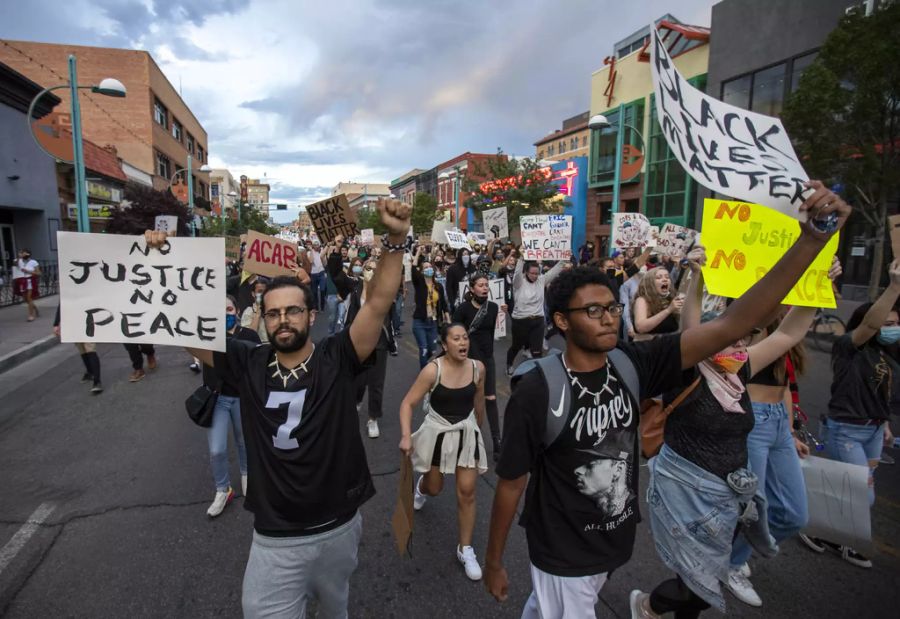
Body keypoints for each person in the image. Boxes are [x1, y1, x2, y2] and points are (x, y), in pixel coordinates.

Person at [483, 181, 849, 619]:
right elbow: (510, 484)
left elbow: (734, 322)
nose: (609, 317)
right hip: (561, 551)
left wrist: (813, 239)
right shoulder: (537, 389)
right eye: (593, 311)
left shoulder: (632, 362)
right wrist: (494, 559)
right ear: (561, 321)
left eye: (612, 308)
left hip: (613, 541)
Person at [150, 196, 411, 618]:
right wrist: (163, 260)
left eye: (293, 310)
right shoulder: (246, 360)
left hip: (338, 528)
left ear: (311, 316)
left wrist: (397, 239)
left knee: (334, 609)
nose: (283, 320)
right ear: (263, 319)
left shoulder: (337, 356)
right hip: (275, 536)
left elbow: (379, 301)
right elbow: (188, 329)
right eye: (273, 314)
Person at [632, 248, 830, 618]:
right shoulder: (687, 370)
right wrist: (696, 278)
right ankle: (646, 605)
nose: (741, 345)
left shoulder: (740, 371)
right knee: (698, 585)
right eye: (733, 339)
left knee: (701, 579)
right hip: (685, 490)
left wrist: (818, 288)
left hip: (726, 495)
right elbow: (690, 328)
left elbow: (788, 334)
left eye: (745, 340)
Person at [799, 260, 900, 569]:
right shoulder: (849, 347)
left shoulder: (889, 354)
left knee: (845, 486)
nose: (891, 328)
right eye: (886, 322)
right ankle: (815, 527)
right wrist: (894, 285)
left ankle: (839, 538)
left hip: (871, 432)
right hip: (845, 430)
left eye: (896, 323)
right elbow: (870, 326)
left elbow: (882, 393)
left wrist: (883, 423)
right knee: (863, 494)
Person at [399, 323, 487, 581]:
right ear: (445, 344)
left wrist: (477, 431)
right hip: (437, 433)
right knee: (435, 488)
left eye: (465, 338)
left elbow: (479, 401)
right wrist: (406, 435)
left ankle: (465, 548)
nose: (463, 343)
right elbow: (407, 403)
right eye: (456, 339)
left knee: (467, 492)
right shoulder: (432, 370)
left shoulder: (478, 368)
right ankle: (421, 488)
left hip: (466, 432)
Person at [204, 295, 260, 518]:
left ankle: (247, 476)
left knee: (243, 440)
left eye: (229, 309)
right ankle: (222, 489)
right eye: (221, 310)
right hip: (217, 399)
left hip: (242, 398)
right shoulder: (207, 337)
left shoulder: (249, 335)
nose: (226, 313)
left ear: (237, 311)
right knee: (216, 449)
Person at [453, 274, 504, 460]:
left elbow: (490, 333)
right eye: (480, 285)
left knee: (490, 398)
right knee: (472, 401)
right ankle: (471, 439)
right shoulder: (462, 310)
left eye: (486, 285)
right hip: (468, 361)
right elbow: (455, 335)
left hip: (487, 359)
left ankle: (497, 441)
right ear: (472, 288)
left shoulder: (493, 307)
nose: (484, 288)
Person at [345, 258, 394, 439]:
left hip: (379, 343)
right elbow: (336, 275)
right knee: (358, 379)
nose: (370, 271)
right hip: (357, 342)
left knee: (376, 383)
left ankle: (373, 418)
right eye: (368, 268)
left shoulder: (383, 293)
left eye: (374, 269)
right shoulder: (355, 289)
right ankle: (356, 401)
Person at [506, 257, 565, 376]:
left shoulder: (541, 280)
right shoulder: (519, 282)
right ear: (526, 272)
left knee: (537, 350)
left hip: (537, 320)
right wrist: (521, 259)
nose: (534, 276)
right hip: (520, 320)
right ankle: (509, 364)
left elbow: (555, 270)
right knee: (516, 346)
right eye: (532, 273)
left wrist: (563, 257)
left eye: (537, 273)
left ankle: (538, 374)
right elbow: (517, 273)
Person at [410, 246, 450, 368]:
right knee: (424, 349)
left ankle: (427, 365)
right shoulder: (419, 284)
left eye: (429, 267)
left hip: (433, 322)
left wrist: (448, 319)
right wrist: (417, 252)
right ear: (422, 271)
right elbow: (413, 268)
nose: (428, 269)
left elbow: (443, 304)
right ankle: (425, 373)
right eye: (425, 268)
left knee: (432, 350)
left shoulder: (438, 286)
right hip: (420, 322)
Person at [52, 305, 103, 394]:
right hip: (74, 322)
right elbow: (63, 303)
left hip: (89, 319)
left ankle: (97, 381)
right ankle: (90, 372)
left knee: (90, 349)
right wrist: (56, 323)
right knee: (81, 348)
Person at [632, 267, 682, 339]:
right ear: (650, 283)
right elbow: (640, 327)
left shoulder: (671, 299)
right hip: (649, 346)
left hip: (670, 346)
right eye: (659, 278)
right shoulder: (642, 300)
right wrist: (668, 310)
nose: (665, 279)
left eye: (667, 277)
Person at [12, 248, 41, 321]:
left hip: (30, 280)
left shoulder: (33, 262)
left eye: (24, 253)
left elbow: (38, 273)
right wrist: (19, 257)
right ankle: (35, 308)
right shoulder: (18, 260)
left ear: (28, 254)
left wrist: (28, 271)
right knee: (25, 298)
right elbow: (15, 264)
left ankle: (30, 315)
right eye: (22, 253)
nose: (23, 254)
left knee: (29, 297)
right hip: (21, 281)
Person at [241, 277, 270, 343]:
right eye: (260, 291)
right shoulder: (248, 312)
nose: (263, 294)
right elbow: (248, 337)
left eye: (266, 291)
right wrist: (257, 314)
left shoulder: (275, 309)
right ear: (253, 294)